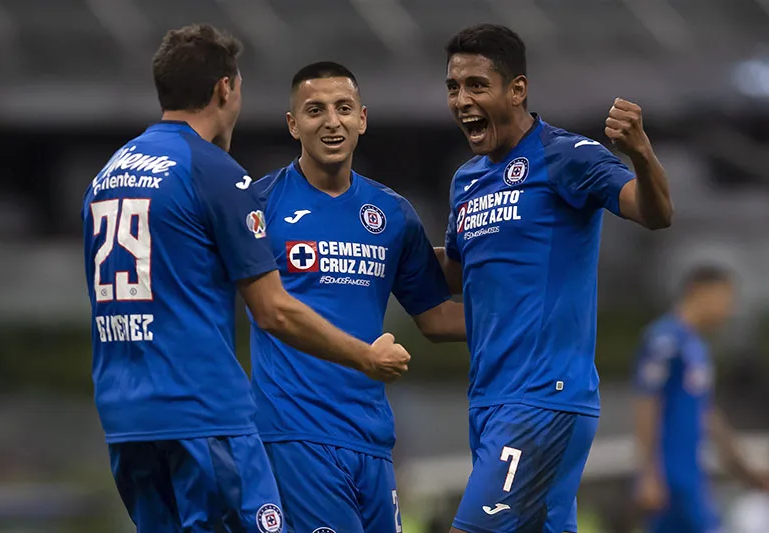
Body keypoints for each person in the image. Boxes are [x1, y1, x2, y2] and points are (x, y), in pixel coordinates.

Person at [81, 25, 410, 533]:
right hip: (202, 414)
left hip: (126, 418)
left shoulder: (110, 173)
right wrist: (366, 355)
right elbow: (273, 309)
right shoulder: (215, 172)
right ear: (225, 89)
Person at [434, 24, 673, 533]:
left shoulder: (565, 155)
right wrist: (372, 250)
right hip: (490, 400)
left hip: (545, 398)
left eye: (477, 85)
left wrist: (641, 154)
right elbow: (457, 274)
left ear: (516, 89)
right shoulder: (466, 179)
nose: (462, 100)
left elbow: (653, 213)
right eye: (454, 87)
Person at [250, 61, 466, 533]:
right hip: (296, 433)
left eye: (343, 108)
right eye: (315, 110)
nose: (332, 121)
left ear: (362, 119)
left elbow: (436, 318)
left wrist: (530, 321)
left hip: (372, 436)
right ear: (293, 124)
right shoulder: (259, 205)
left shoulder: (391, 214)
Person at [633, 265, 769, 533]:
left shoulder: (696, 347)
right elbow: (646, 402)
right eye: (725, 298)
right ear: (700, 292)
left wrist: (743, 469)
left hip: (691, 472)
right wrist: (648, 473)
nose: (729, 309)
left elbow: (706, 413)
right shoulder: (664, 339)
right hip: (671, 475)